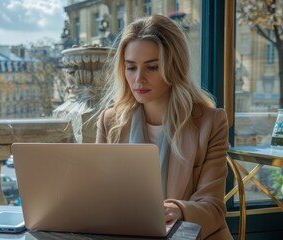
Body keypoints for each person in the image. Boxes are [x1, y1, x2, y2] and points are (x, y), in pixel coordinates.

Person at [95, 15, 231, 240]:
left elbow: (214, 209)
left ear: (174, 67)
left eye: (152, 67)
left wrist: (179, 209)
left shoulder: (211, 122)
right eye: (131, 67)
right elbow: (98, 194)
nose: (139, 79)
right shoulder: (110, 122)